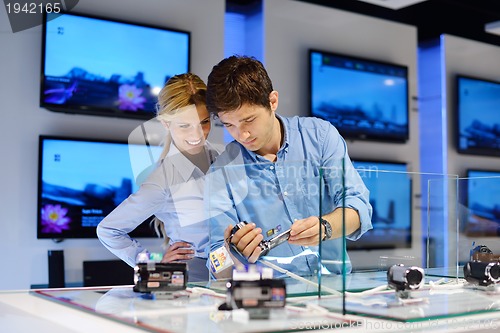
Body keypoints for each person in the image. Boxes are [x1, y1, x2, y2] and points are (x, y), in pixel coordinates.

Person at [205, 56, 372, 276]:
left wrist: (325, 227)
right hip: (270, 297)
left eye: (249, 120)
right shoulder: (221, 172)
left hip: (333, 289)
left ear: (272, 101)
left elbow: (358, 207)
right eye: (229, 125)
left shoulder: (320, 137)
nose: (241, 134)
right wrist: (232, 253)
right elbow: (216, 261)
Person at [97, 73, 221, 282]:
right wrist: (151, 261)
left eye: (204, 122)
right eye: (184, 125)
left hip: (234, 272)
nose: (197, 134)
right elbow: (108, 230)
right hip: (195, 280)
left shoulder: (221, 159)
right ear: (166, 124)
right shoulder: (163, 180)